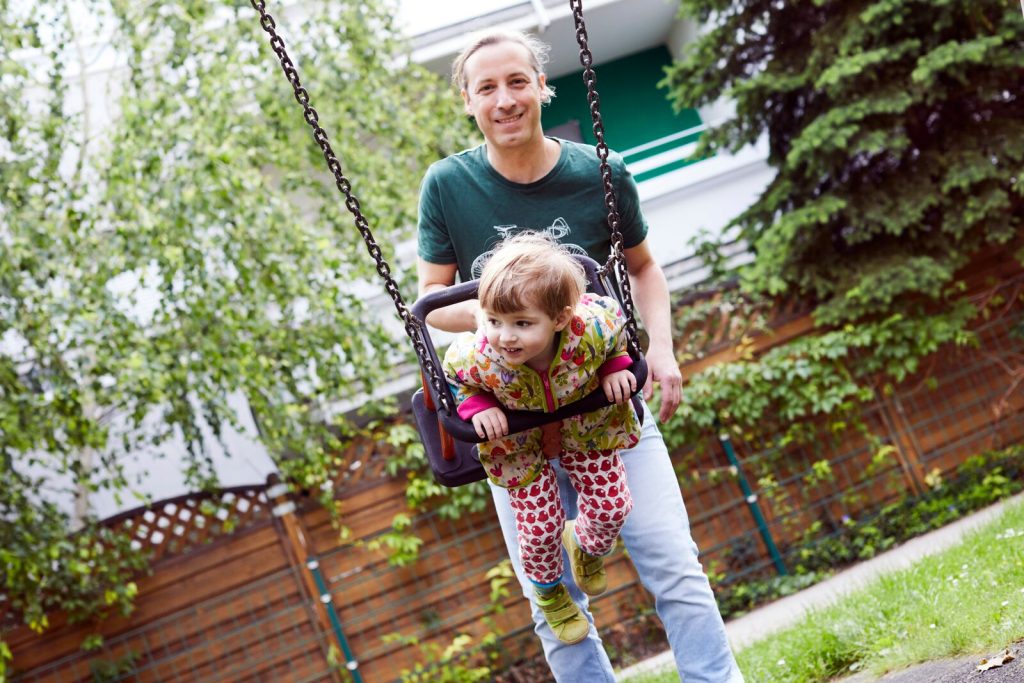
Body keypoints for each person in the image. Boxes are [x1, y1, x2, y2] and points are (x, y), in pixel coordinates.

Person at [416, 27, 743, 682]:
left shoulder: (599, 172)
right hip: (513, 425)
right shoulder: (449, 184)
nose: (504, 100)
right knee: (552, 596)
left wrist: (663, 352)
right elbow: (431, 301)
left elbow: (643, 268)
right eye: (486, 88)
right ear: (467, 101)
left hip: (605, 402)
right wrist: (507, 315)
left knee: (673, 563)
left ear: (542, 87)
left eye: (517, 81)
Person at [442, 232, 641, 644]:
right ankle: (550, 593)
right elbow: (455, 377)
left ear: (561, 319)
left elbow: (616, 332)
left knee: (613, 506)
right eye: (494, 321)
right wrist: (478, 405)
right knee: (539, 529)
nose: (505, 336)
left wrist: (615, 366)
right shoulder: (480, 355)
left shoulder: (592, 329)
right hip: (518, 444)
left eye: (522, 323)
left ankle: (585, 544)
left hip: (585, 426)